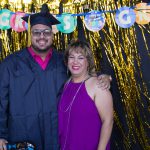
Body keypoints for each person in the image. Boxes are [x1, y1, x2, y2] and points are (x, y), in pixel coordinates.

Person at [0, 4, 111, 150]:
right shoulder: (11, 64)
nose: (42, 37)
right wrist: (1, 134)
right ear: (30, 34)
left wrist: (105, 77)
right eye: (36, 32)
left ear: (52, 34)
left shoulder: (64, 61)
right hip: (23, 136)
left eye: (46, 32)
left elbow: (84, 76)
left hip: (56, 137)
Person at [58, 40, 114, 150]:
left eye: (80, 57)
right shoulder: (67, 84)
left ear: (88, 62)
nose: (75, 62)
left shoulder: (98, 86)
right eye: (71, 57)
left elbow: (108, 121)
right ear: (66, 61)